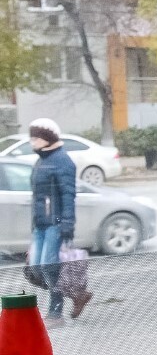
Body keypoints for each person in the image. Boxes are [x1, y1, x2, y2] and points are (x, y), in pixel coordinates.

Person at [28, 118, 83, 324]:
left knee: (49, 267)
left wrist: (67, 225)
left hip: (56, 223)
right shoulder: (41, 160)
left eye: (35, 137)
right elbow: (37, 197)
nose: (32, 141)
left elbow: (68, 195)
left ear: (47, 138)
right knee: (35, 268)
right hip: (40, 224)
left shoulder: (62, 160)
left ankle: (55, 312)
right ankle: (76, 294)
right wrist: (33, 225)